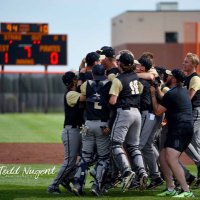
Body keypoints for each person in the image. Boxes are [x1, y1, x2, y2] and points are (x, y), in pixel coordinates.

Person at [151, 69, 194, 198]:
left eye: (169, 76)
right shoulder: (181, 91)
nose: (167, 78)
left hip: (180, 129)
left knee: (171, 158)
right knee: (162, 158)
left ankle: (187, 191)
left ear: (174, 79)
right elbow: (167, 100)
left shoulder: (172, 93)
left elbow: (158, 111)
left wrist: (153, 94)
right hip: (180, 128)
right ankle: (171, 188)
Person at [109, 52, 148, 192]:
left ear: (121, 64)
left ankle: (127, 172)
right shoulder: (135, 78)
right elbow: (141, 90)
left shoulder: (118, 80)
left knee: (115, 143)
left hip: (125, 112)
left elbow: (112, 101)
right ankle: (142, 172)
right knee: (133, 146)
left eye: (119, 62)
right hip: (137, 113)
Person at [72, 64, 112, 196]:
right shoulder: (110, 84)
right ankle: (96, 185)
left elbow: (82, 98)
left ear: (93, 73)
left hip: (87, 124)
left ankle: (78, 184)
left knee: (85, 156)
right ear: (104, 73)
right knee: (103, 157)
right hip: (103, 125)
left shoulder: (86, 84)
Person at [48, 71, 85, 194]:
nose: (78, 79)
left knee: (87, 156)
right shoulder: (70, 94)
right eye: (76, 78)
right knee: (69, 161)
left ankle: (68, 178)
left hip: (79, 129)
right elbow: (84, 97)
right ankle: (53, 186)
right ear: (73, 81)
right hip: (71, 131)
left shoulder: (75, 92)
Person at [183, 52, 200, 186]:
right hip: (192, 111)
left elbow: (189, 98)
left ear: (194, 64)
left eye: (187, 62)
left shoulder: (195, 78)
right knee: (196, 143)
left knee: (184, 139)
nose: (184, 63)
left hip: (195, 112)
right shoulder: (187, 78)